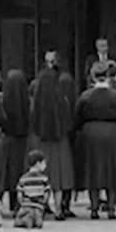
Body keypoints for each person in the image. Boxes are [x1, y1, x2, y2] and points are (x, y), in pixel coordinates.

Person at [73, 61, 116, 220]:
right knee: (112, 170)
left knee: (93, 170)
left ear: (93, 77)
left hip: (91, 134)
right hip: (114, 134)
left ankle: (94, 208)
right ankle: (112, 207)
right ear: (108, 77)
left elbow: (77, 117)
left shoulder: (85, 96)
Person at [30, 53, 75, 219]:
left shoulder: (36, 103)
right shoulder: (62, 101)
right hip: (59, 141)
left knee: (42, 174)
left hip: (40, 141)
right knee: (59, 177)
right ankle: (58, 209)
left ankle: (41, 207)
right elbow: (69, 121)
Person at [0, 70, 31, 213]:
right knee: (17, 171)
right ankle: (15, 203)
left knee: (4, 171)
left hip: (6, 138)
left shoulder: (3, 100)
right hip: (21, 139)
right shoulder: (26, 101)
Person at [14, 150, 50, 229]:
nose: (45, 166)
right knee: (38, 221)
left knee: (18, 221)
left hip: (26, 206)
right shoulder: (44, 179)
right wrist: (43, 203)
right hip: (38, 207)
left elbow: (19, 194)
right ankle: (36, 221)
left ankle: (26, 219)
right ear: (38, 163)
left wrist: (22, 203)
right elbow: (46, 194)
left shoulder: (23, 178)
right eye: (44, 163)